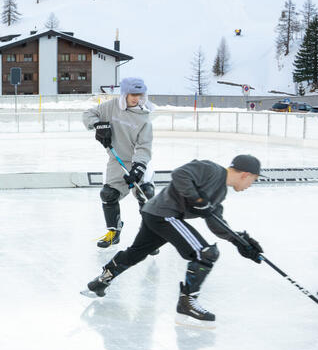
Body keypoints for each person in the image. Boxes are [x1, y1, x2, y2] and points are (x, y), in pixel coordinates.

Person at [84, 155, 266, 325]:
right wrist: (197, 199)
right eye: (254, 179)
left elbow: (214, 220)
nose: (251, 184)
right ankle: (187, 303)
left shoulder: (220, 192)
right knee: (205, 254)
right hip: (165, 215)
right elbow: (180, 174)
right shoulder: (211, 169)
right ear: (245, 174)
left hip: (154, 212)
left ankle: (100, 281)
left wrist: (240, 241)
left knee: (136, 253)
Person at [82, 77, 155, 248]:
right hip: (117, 160)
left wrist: (138, 168)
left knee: (146, 194)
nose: (136, 98)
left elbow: (144, 147)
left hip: (138, 160)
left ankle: (149, 236)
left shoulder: (144, 118)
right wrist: (98, 126)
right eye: (133, 94)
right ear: (124, 94)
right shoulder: (111, 107)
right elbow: (88, 114)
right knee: (108, 194)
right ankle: (114, 231)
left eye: (139, 95)